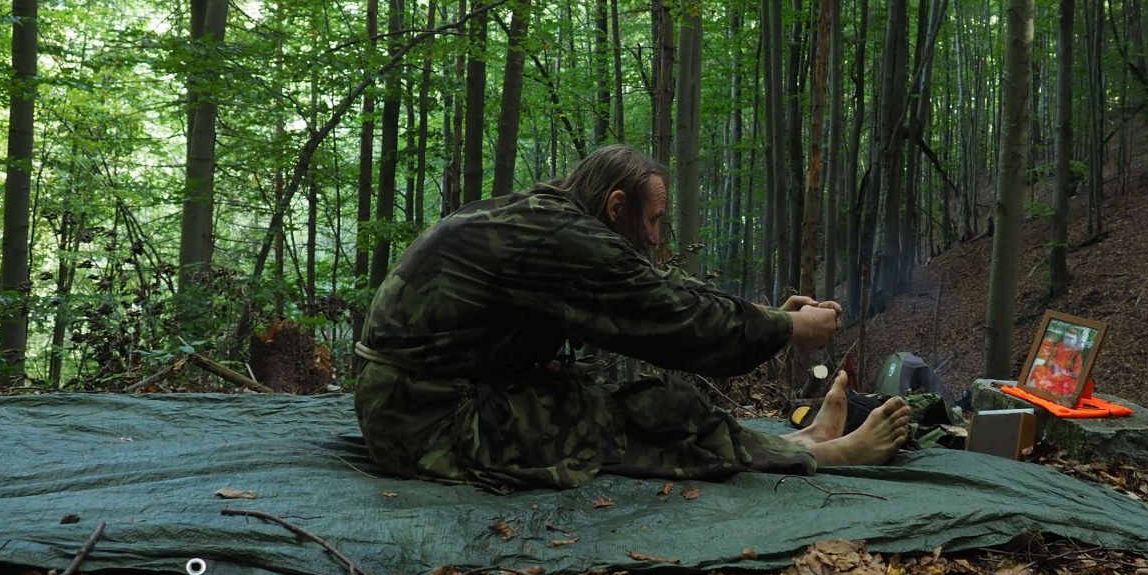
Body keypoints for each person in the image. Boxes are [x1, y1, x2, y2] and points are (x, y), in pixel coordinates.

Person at [354, 144, 910, 490]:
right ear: (616, 207)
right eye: (653, 221)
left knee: (640, 398)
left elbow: (660, 288)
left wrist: (768, 316)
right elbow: (674, 320)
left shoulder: (549, 221)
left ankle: (804, 443)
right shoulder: (562, 240)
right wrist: (788, 330)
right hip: (425, 421)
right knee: (636, 415)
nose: (655, 237)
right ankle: (825, 455)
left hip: (436, 395)